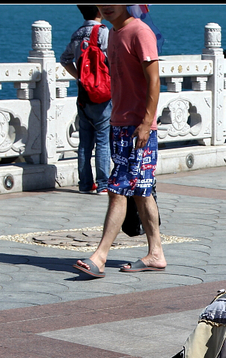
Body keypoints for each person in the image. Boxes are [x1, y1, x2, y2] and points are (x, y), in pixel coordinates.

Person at [73, 4, 164, 278]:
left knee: (117, 188)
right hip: (119, 124)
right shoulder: (113, 33)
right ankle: (156, 253)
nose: (107, 5)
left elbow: (154, 80)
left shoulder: (140, 31)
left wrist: (146, 124)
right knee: (140, 191)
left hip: (139, 129)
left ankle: (99, 257)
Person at [60, 5, 111, 195]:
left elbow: (64, 60)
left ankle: (85, 184)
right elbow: (113, 59)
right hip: (102, 93)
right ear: (99, 12)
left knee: (85, 142)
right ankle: (103, 184)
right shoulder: (103, 33)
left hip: (83, 94)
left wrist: (80, 78)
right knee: (103, 140)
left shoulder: (77, 34)